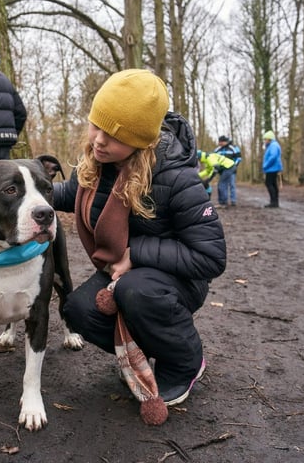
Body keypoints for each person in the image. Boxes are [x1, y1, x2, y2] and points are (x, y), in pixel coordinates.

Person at [54, 69, 226, 407]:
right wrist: (21, 188)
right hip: (125, 275)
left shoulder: (177, 179)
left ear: (141, 140)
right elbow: (65, 194)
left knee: (137, 292)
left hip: (176, 280)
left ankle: (185, 362)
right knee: (76, 309)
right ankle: (145, 348)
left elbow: (211, 258)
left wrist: (136, 253)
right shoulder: (96, 165)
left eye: (114, 135)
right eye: (96, 126)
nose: (99, 140)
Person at [213, 135, 241, 206]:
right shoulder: (217, 150)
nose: (220, 143)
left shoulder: (233, 148)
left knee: (232, 185)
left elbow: (238, 158)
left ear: (225, 141)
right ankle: (224, 201)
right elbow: (214, 159)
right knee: (223, 185)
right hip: (222, 171)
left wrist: (234, 165)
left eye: (222, 142)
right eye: (219, 142)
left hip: (232, 170)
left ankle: (233, 201)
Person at [262, 130, 283, 208]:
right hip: (272, 168)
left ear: (269, 139)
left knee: (269, 184)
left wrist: (265, 165)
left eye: (265, 139)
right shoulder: (272, 145)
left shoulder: (273, 145)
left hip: (272, 168)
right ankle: (274, 202)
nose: (264, 141)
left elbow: (273, 157)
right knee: (273, 184)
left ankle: (273, 202)